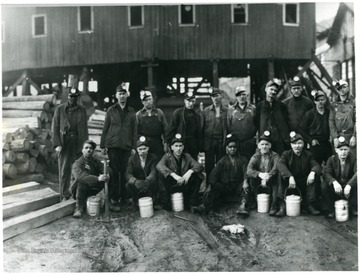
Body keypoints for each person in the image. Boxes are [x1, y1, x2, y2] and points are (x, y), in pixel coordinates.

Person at [100, 83, 137, 211]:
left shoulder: (131, 111)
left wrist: (134, 147)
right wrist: (103, 145)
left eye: (124, 94)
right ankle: (114, 198)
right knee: (114, 172)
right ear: (116, 95)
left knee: (125, 171)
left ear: (127, 95)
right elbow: (105, 128)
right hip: (113, 145)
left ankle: (125, 198)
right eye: (120, 94)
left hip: (126, 146)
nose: (122, 96)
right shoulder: (111, 110)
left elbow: (134, 130)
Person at [52, 84, 88, 202]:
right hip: (65, 142)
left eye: (75, 97)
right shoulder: (60, 109)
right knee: (64, 170)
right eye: (71, 96)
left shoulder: (82, 110)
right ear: (68, 96)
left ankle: (76, 194)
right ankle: (65, 195)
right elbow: (55, 127)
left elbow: (84, 128)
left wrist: (85, 145)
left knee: (79, 169)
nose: (73, 99)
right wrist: (57, 144)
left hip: (78, 142)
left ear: (78, 97)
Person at [200, 134, 249, 216]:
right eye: (230, 147)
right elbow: (214, 174)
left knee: (246, 187)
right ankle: (207, 207)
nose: (232, 149)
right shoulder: (223, 160)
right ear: (227, 148)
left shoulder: (243, 159)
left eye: (234, 147)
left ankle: (242, 206)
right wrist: (210, 185)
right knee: (213, 187)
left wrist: (245, 181)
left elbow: (246, 172)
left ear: (237, 148)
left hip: (237, 186)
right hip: (226, 186)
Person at [276, 131, 322, 216]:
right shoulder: (286, 154)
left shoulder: (308, 154)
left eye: (299, 143)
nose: (297, 146)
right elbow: (280, 164)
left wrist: (312, 172)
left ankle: (309, 204)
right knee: (281, 175)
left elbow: (316, 165)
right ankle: (282, 205)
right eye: (294, 143)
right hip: (289, 183)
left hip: (303, 183)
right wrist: (290, 176)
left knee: (315, 176)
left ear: (303, 144)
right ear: (291, 145)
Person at [156, 133, 204, 211]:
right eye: (176, 146)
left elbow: (199, 166)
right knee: (160, 175)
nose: (178, 149)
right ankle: (166, 202)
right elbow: (159, 165)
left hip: (184, 185)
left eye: (180, 146)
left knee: (199, 175)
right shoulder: (167, 156)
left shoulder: (187, 156)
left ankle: (192, 203)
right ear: (172, 147)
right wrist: (173, 175)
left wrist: (189, 172)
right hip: (172, 185)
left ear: (183, 147)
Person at [70, 140, 110, 218]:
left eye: (91, 148)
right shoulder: (77, 163)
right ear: (82, 150)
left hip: (91, 188)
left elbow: (105, 168)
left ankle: (108, 204)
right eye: (86, 148)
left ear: (93, 151)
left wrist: (107, 174)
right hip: (78, 190)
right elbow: (80, 176)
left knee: (108, 177)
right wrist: (97, 178)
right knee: (81, 182)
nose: (89, 149)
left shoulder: (95, 161)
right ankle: (79, 208)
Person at [321, 136, 357, 218]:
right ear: (336, 150)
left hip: (348, 185)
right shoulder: (331, 159)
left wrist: (349, 185)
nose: (343, 152)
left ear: (349, 150)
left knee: (357, 183)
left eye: (345, 149)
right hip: (337, 186)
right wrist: (334, 182)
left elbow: (357, 173)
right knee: (324, 185)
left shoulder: (353, 159)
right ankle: (331, 210)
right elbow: (327, 174)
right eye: (341, 150)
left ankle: (353, 208)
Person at [247, 131, 281, 216]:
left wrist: (269, 175)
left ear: (270, 146)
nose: (264, 146)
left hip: (271, 179)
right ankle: (256, 200)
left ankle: (274, 205)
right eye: (262, 144)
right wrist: (260, 174)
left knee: (278, 178)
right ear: (259, 146)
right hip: (260, 180)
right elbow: (249, 170)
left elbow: (277, 167)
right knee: (252, 178)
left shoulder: (275, 155)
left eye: (266, 144)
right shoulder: (256, 156)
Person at [255, 79, 290, 155]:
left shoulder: (281, 106)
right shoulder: (260, 106)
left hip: (278, 139)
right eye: (271, 89)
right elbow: (257, 122)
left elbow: (285, 121)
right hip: (265, 138)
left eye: (275, 90)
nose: (273, 92)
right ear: (266, 89)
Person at [298, 90, 332, 166]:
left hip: (326, 143)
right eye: (318, 100)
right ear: (314, 101)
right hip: (315, 144)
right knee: (315, 166)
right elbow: (300, 129)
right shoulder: (310, 114)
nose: (320, 102)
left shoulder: (329, 112)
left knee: (330, 165)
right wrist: (310, 140)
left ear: (325, 100)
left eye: (322, 100)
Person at [166, 91, 203, 160]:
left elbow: (199, 133)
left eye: (193, 101)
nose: (191, 103)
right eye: (189, 101)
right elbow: (172, 128)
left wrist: (200, 147)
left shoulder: (197, 116)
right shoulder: (178, 113)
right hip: (181, 143)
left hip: (193, 144)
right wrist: (169, 143)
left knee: (192, 162)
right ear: (185, 101)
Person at [125, 136, 159, 209]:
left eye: (144, 149)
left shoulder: (153, 157)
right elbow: (128, 173)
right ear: (137, 150)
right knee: (128, 185)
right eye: (140, 149)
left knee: (157, 181)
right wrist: (135, 181)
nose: (143, 151)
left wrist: (148, 180)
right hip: (138, 184)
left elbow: (154, 171)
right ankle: (134, 201)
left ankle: (154, 200)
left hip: (149, 183)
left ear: (148, 149)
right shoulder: (132, 159)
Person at [202, 87, 228, 178]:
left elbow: (228, 127)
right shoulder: (206, 111)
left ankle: (219, 185)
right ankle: (209, 185)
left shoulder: (227, 111)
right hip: (210, 142)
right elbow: (202, 127)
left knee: (221, 164)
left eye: (217, 96)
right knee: (209, 165)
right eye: (213, 96)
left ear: (221, 97)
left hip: (221, 142)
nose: (215, 98)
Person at [135, 90, 168, 160]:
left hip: (158, 143)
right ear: (142, 102)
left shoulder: (159, 112)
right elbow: (135, 132)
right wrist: (138, 145)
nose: (148, 102)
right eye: (146, 100)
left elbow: (165, 129)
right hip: (144, 144)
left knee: (159, 163)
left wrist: (166, 143)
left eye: (150, 99)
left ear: (153, 100)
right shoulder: (139, 115)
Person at [228, 86, 257, 160]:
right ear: (236, 97)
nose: (241, 97)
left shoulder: (253, 109)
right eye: (239, 95)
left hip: (250, 143)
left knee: (249, 164)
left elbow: (257, 125)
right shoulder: (231, 110)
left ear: (247, 95)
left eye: (243, 94)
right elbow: (228, 126)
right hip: (236, 144)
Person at [329, 79, 356, 154]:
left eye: (344, 87)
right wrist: (335, 137)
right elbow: (331, 121)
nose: (342, 90)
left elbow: (357, 120)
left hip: (350, 137)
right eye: (339, 88)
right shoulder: (334, 105)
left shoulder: (354, 103)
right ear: (337, 90)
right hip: (339, 137)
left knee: (352, 161)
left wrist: (355, 136)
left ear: (348, 88)